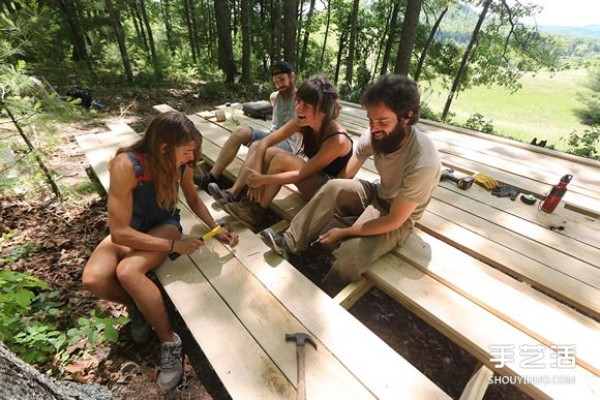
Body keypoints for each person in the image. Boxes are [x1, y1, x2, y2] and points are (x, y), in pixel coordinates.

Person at [82, 111, 239, 392]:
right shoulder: (126, 165)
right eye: (188, 152)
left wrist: (216, 227)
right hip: (130, 232)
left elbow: (192, 197)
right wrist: (174, 247)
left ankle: (169, 341)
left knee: (128, 272)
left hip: (165, 225)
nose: (192, 158)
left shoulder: (181, 164)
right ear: (164, 147)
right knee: (93, 279)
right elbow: (119, 233)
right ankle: (139, 306)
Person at [259, 74, 441, 296]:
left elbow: (394, 219)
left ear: (407, 117)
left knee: (349, 255)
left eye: (383, 122)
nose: (374, 129)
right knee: (334, 186)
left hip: (399, 216)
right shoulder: (376, 133)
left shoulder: (423, 161)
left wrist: (344, 232)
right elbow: (346, 175)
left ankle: (324, 295)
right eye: (371, 120)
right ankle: (289, 244)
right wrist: (327, 190)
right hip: (377, 191)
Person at [209, 75, 353, 230]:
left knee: (281, 160)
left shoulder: (337, 140)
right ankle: (246, 199)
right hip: (311, 175)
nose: (297, 108)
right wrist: (257, 175)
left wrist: (263, 179)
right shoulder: (302, 121)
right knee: (266, 149)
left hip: (328, 191)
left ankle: (256, 213)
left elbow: (301, 174)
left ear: (323, 112)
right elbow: (264, 143)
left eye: (305, 106)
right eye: (298, 101)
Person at [193, 61, 302, 191]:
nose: (279, 85)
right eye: (276, 82)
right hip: (271, 136)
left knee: (257, 146)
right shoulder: (275, 97)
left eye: (282, 80)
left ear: (292, 76)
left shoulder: (301, 100)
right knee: (240, 131)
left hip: (289, 144)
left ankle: (233, 193)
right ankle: (211, 177)